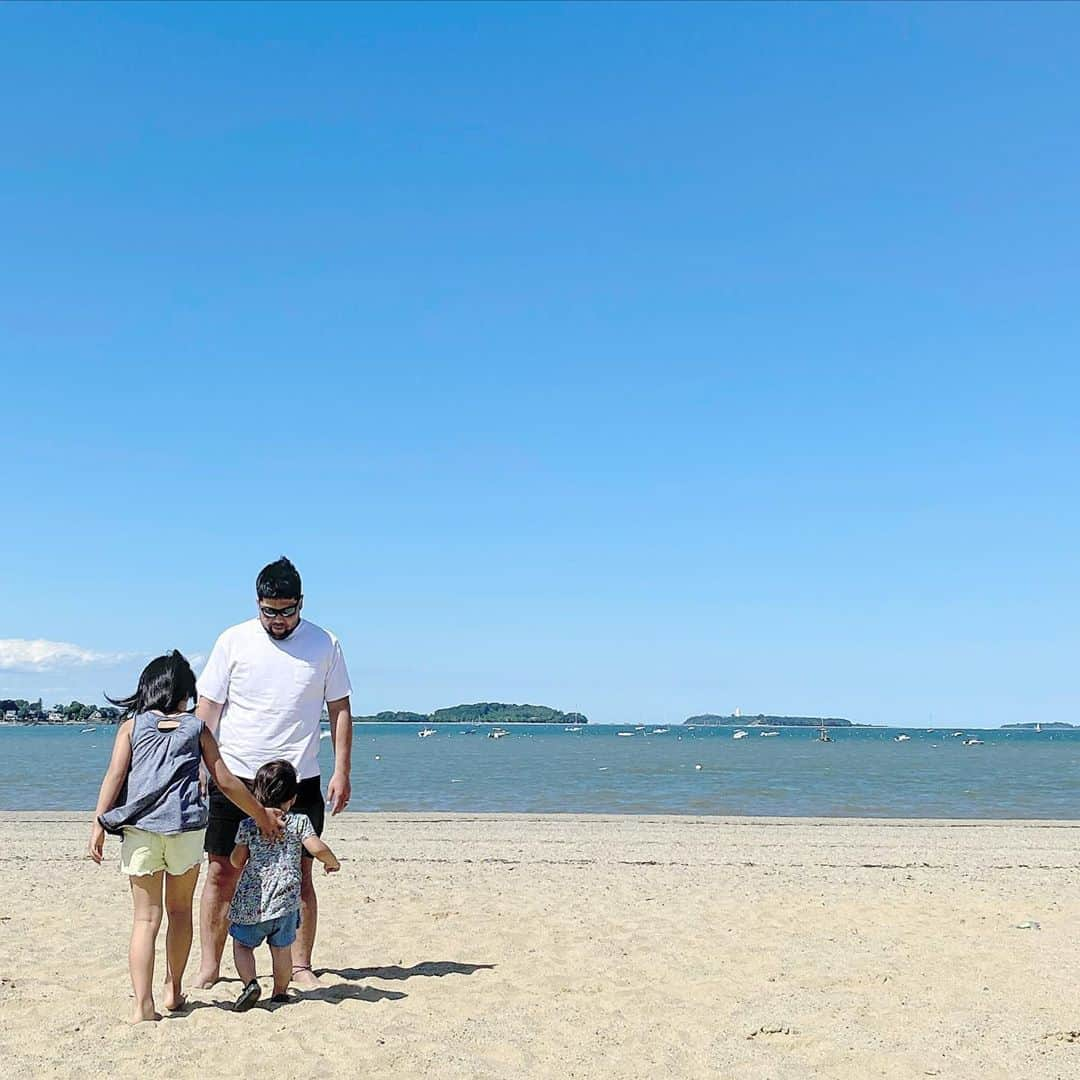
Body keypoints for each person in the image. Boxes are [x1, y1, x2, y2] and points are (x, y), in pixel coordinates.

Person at [88, 651, 283, 1023]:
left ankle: (142, 1005)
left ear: (148, 688)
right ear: (184, 693)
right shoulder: (196, 728)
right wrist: (260, 815)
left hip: (141, 830)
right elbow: (224, 779)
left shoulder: (131, 727)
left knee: (145, 920)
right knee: (179, 913)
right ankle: (173, 990)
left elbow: (114, 777)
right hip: (185, 831)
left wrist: (98, 823)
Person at [194, 556, 353, 990]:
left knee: (298, 872)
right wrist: (203, 766)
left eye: (286, 611)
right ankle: (210, 965)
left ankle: (300, 965)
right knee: (222, 871)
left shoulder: (325, 644)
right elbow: (208, 708)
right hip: (236, 776)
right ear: (257, 603)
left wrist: (342, 770)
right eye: (270, 611)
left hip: (298, 779)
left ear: (301, 603)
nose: (278, 620)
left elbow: (339, 708)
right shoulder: (233, 640)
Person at [228, 759, 340, 1011]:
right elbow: (316, 847)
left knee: (243, 945)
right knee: (281, 949)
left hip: (253, 903)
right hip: (287, 902)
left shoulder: (248, 825)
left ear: (255, 794)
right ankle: (280, 992)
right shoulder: (299, 823)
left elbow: (236, 860)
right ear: (292, 798)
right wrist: (331, 862)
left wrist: (239, 851)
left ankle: (250, 984)